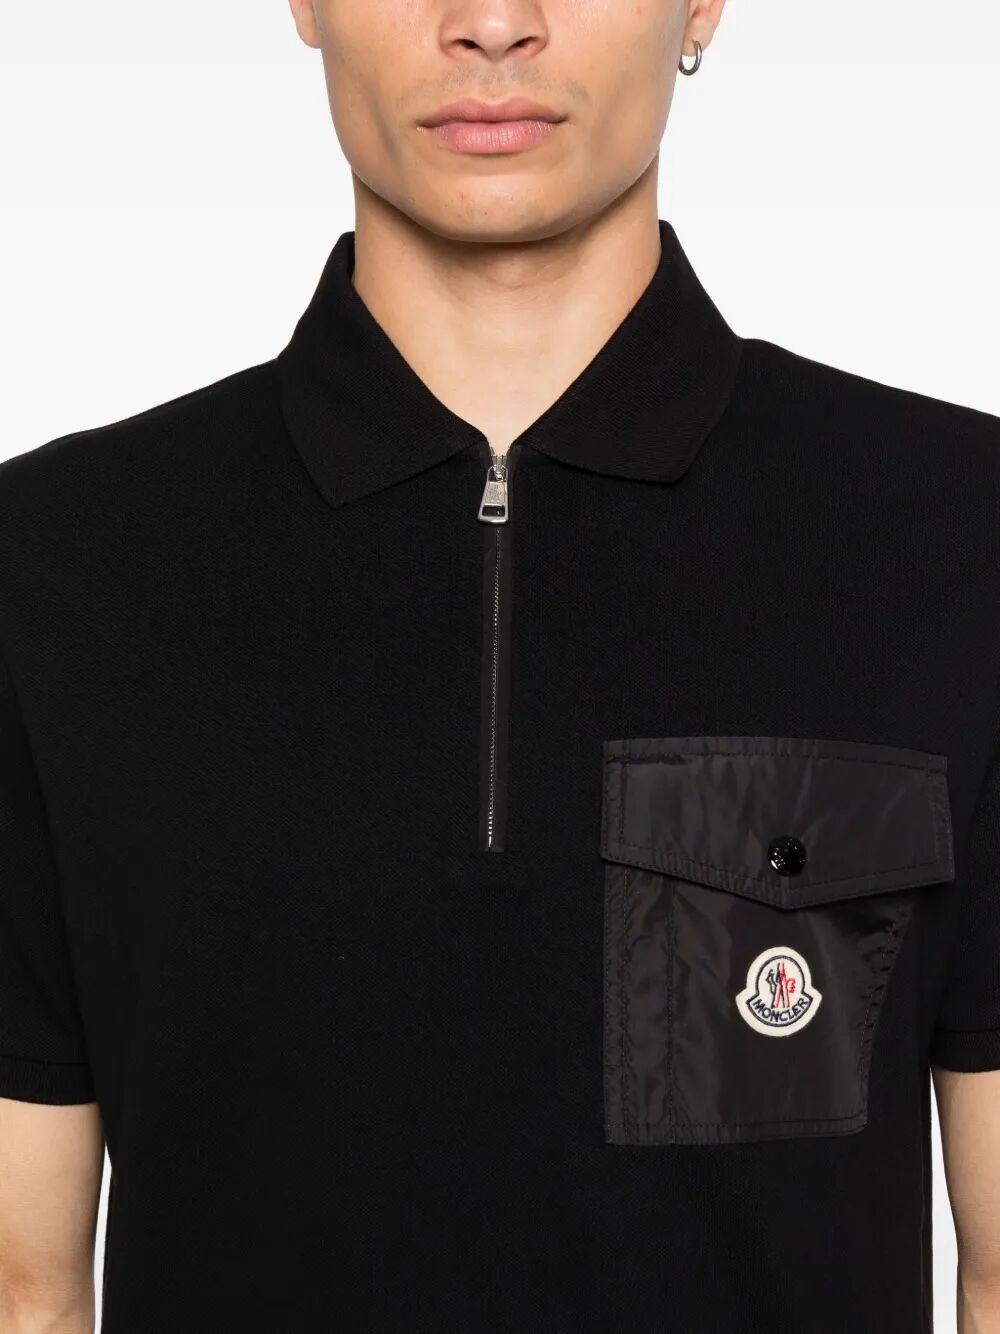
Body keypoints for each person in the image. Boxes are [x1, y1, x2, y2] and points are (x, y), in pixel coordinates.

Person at [0, 1, 997, 1330]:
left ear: (702, 3)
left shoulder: (956, 537)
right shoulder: (55, 565)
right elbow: (22, 1283)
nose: (491, 23)